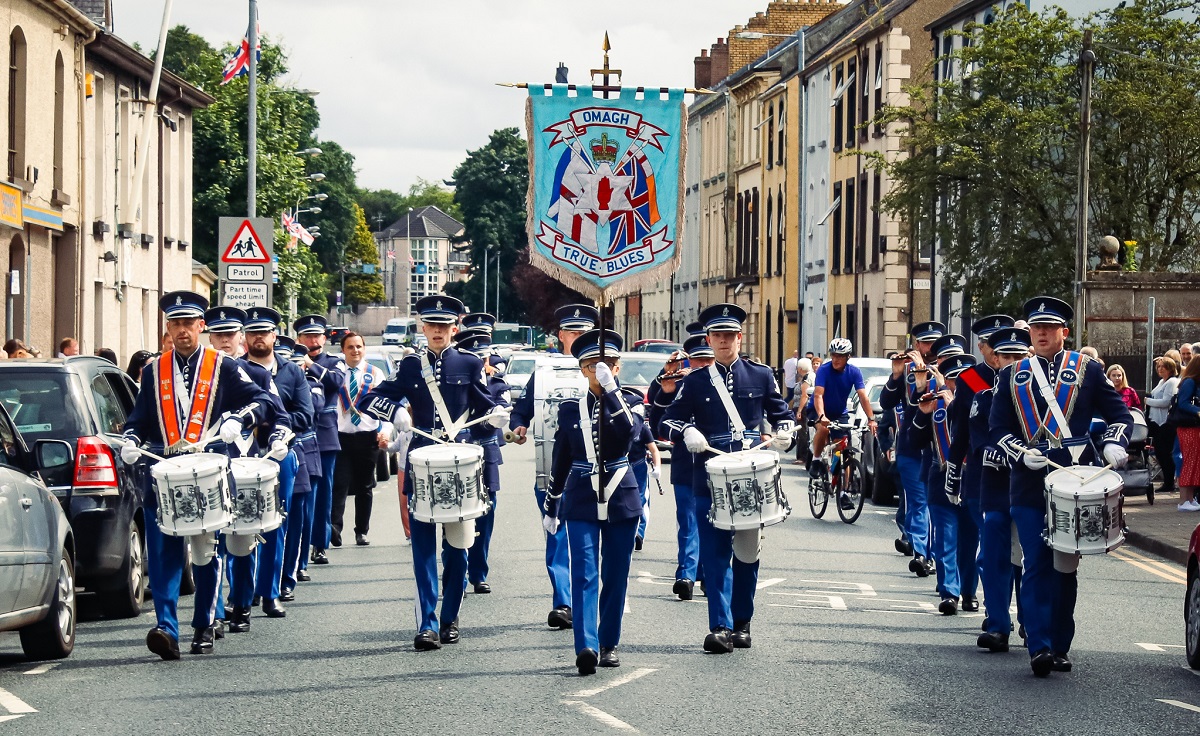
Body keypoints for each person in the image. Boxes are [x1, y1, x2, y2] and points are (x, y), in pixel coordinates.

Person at [120, 291, 281, 660]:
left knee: (205, 551)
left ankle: (204, 623)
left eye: (187, 324)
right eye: (174, 324)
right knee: (162, 554)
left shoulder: (222, 365)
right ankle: (166, 628)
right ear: (168, 328)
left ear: (200, 326)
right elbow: (140, 420)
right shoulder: (153, 370)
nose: (181, 331)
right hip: (164, 472)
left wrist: (240, 419)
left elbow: (264, 401)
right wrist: (130, 439)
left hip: (208, 468)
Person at [990, 296, 1132, 677]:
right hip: (1028, 482)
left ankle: (1060, 643)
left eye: (1050, 328)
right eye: (1036, 327)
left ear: (1064, 333)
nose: (1041, 333)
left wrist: (1114, 440)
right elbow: (997, 428)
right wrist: (1020, 452)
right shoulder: (1011, 375)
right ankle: (1038, 645)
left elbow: (1119, 414)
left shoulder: (1087, 369)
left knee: (1064, 565)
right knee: (1035, 561)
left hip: (1074, 481)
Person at [356, 294, 506, 651]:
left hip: (460, 462)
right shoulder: (410, 367)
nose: (437, 331)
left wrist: (500, 415)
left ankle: (450, 617)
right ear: (422, 327)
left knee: (457, 548)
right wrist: (394, 411)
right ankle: (426, 623)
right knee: (422, 548)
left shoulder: (469, 363)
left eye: (444, 325)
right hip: (422, 462)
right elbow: (367, 400)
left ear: (455, 328)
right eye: (431, 325)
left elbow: (488, 407)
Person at [661, 303, 794, 654]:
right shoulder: (694, 381)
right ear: (708, 339)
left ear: (739, 337)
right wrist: (687, 430)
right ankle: (719, 627)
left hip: (750, 475)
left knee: (747, 554)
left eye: (729, 336)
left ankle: (742, 622)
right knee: (716, 554)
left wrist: (784, 432)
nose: (723, 341)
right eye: (717, 336)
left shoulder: (761, 375)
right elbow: (668, 421)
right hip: (709, 475)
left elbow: (782, 413)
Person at [543, 329, 644, 674]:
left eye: (609, 364)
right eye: (592, 365)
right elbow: (562, 455)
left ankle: (608, 643)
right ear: (582, 370)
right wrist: (552, 502)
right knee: (584, 571)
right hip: (582, 495)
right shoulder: (570, 408)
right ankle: (585, 644)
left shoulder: (630, 401)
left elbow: (630, 434)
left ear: (617, 368)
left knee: (616, 574)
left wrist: (612, 392)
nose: (601, 370)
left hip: (621, 493)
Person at [509, 304, 598, 630]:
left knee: (589, 542)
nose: (577, 338)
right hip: (552, 470)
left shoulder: (602, 369)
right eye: (572, 332)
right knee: (557, 536)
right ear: (561, 335)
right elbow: (522, 409)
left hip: (594, 473)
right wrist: (518, 426)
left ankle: (586, 600)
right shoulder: (544, 371)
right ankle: (563, 602)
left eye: (584, 332)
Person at [243, 308, 314, 616]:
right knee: (241, 524)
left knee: (276, 522)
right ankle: (242, 593)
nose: (259, 337)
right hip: (243, 454)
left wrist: (273, 425)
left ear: (274, 335)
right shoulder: (235, 369)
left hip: (279, 453)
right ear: (245, 337)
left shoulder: (292, 372)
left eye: (264, 332)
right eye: (253, 332)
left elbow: (305, 413)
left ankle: (270, 591)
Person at [946, 316, 1015, 621]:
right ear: (982, 346)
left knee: (1017, 553)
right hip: (979, 474)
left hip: (1019, 474)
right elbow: (960, 430)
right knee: (984, 544)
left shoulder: (1027, 376)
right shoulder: (971, 379)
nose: (995, 351)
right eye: (990, 344)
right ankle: (991, 609)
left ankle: (1023, 617)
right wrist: (953, 470)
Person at [974, 325, 1030, 652]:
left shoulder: (1040, 391)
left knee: (1028, 559)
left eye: (1018, 356)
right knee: (994, 557)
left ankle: (1029, 620)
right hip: (995, 482)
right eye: (1005, 355)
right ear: (993, 356)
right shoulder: (978, 385)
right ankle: (997, 624)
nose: (1010, 361)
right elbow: (973, 432)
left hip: (1029, 485)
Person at [910, 333, 971, 615]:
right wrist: (923, 415)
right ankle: (950, 593)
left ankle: (969, 592)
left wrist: (955, 405)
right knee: (946, 538)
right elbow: (913, 442)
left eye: (962, 379)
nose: (957, 384)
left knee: (971, 542)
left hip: (972, 480)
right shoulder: (934, 401)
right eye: (952, 379)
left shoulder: (979, 400)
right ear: (944, 379)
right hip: (941, 475)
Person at [649, 336, 713, 600]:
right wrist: (666, 390)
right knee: (688, 520)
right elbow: (656, 423)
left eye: (707, 360)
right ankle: (686, 575)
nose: (701, 365)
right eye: (697, 360)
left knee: (715, 522)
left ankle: (709, 572)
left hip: (718, 463)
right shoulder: (679, 383)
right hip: (687, 463)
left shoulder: (726, 384)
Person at [881, 321, 944, 578]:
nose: (928, 348)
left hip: (942, 449)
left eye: (933, 343)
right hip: (911, 447)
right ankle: (921, 552)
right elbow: (886, 402)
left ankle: (936, 553)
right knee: (918, 502)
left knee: (937, 505)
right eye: (924, 343)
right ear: (917, 344)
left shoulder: (952, 369)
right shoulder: (906, 369)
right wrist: (896, 375)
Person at [455, 322, 510, 594]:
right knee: (459, 513)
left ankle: (478, 572)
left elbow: (500, 410)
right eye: (476, 357)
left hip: (486, 451)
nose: (482, 362)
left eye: (484, 357)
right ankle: (459, 572)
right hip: (461, 450)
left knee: (486, 513)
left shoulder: (497, 383)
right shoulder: (453, 384)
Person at [293, 315, 346, 568]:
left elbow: (337, 382)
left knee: (324, 493)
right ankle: (300, 546)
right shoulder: (291, 362)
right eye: (307, 336)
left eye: (317, 336)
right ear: (299, 339)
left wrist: (310, 366)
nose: (312, 340)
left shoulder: (333, 362)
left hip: (324, 435)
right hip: (299, 435)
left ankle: (320, 544)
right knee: (303, 496)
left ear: (324, 339)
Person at [331, 332, 390, 549]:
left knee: (365, 486)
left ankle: (361, 531)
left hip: (367, 437)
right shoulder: (337, 374)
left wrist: (386, 430)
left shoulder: (375, 374)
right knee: (340, 484)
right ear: (343, 350)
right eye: (350, 347)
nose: (355, 351)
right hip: (342, 437)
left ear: (364, 349)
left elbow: (385, 406)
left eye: (358, 347)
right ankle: (334, 528)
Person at [806, 339, 876, 502]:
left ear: (848, 357)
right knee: (823, 429)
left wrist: (871, 419)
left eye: (840, 356)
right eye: (834, 355)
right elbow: (818, 395)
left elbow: (863, 396)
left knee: (843, 450)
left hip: (839, 412)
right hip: (818, 409)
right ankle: (816, 460)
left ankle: (843, 491)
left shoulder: (854, 372)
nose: (836, 359)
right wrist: (822, 416)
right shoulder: (824, 370)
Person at [1144, 356, 1179, 497]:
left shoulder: (1172, 382)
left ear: (1170, 368)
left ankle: (1169, 482)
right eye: (1158, 367)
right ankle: (1167, 481)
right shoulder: (1161, 382)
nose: (1159, 369)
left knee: (1165, 452)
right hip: (1156, 421)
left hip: (1166, 422)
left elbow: (1166, 402)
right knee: (1160, 452)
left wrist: (1148, 401)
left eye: (1162, 367)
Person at [1173, 357, 1200, 512]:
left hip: (1191, 427)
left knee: (1192, 461)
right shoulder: (1190, 382)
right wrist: (1197, 412)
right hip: (1188, 428)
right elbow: (1183, 403)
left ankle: (1189, 499)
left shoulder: (1191, 382)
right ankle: (1184, 500)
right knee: (1189, 461)